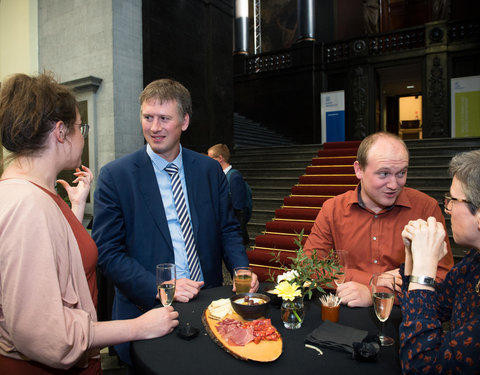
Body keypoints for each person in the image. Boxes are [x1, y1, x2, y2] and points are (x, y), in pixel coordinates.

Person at [0, 73, 178, 374]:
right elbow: (50, 336)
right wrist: (137, 327)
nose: (82, 136)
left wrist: (75, 208)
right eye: (80, 127)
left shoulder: (34, 195)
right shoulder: (28, 205)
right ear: (60, 132)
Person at [92, 78, 259, 366]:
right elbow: (108, 253)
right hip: (147, 311)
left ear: (184, 121)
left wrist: (241, 268)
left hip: (210, 304)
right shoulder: (116, 177)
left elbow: (228, 228)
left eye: (164, 118)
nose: (154, 127)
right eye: (147, 117)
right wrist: (161, 288)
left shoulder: (208, 170)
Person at [303, 132, 454, 307]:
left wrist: (376, 293)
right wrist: (374, 280)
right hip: (348, 312)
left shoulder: (425, 208)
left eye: (401, 173)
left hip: (406, 314)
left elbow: (442, 279)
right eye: (383, 174)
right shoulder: (333, 209)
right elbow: (309, 267)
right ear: (359, 170)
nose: (394, 184)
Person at [400, 150, 480, 374]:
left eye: (454, 200)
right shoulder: (474, 260)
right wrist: (412, 255)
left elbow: (420, 366)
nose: (448, 209)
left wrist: (425, 269)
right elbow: (427, 310)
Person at [208, 143, 251, 246]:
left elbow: (239, 210)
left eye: (211, 158)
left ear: (220, 158)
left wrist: (235, 237)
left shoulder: (234, 177)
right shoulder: (219, 176)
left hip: (232, 235)